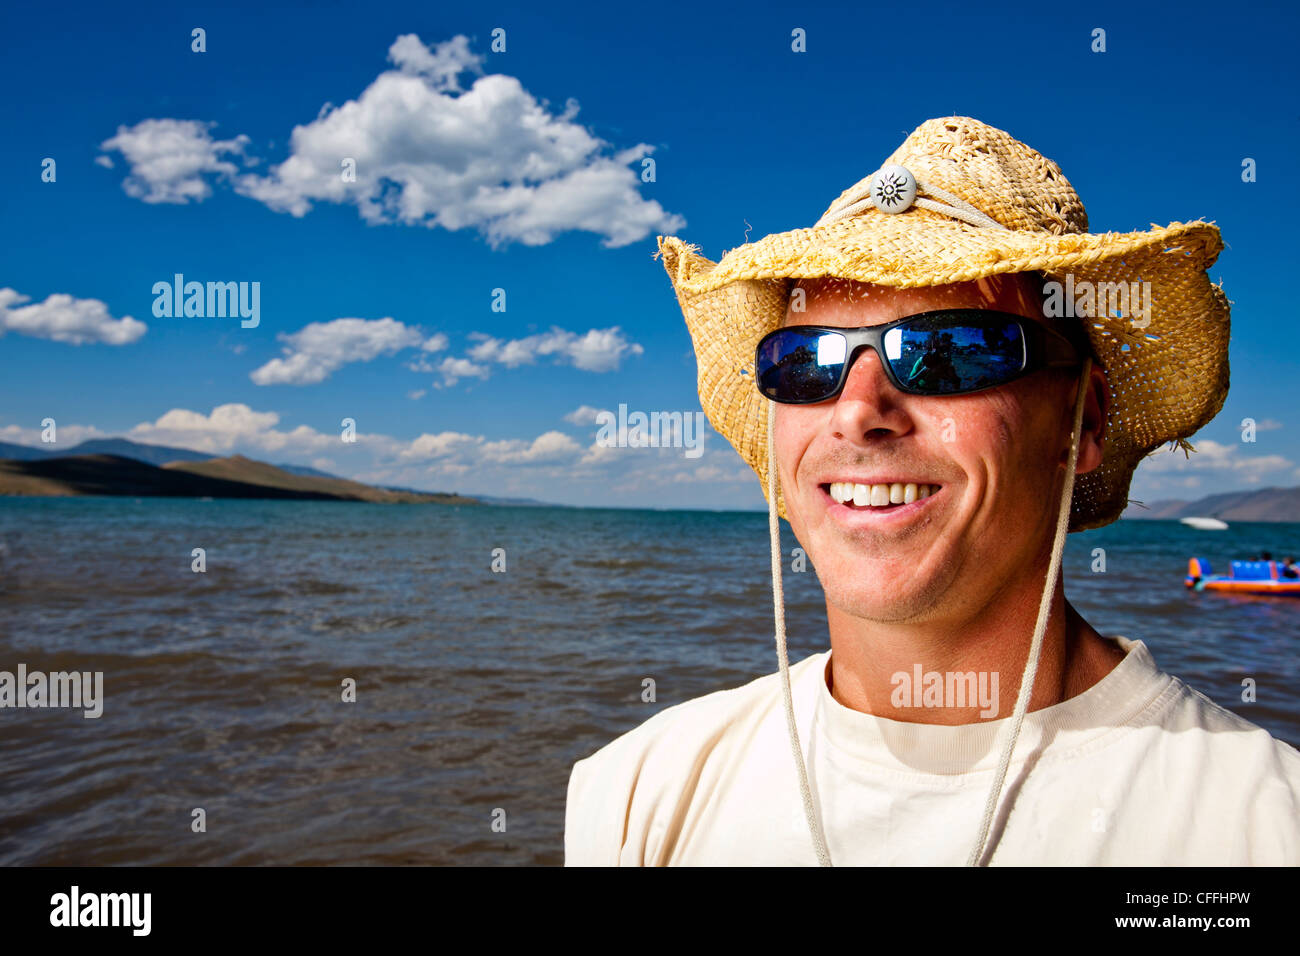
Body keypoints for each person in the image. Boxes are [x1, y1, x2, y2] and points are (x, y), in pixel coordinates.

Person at [565, 117, 1300, 865]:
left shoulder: (1261, 829)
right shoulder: (636, 795)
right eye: (805, 362)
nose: (856, 411)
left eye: (949, 352)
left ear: (1084, 422)